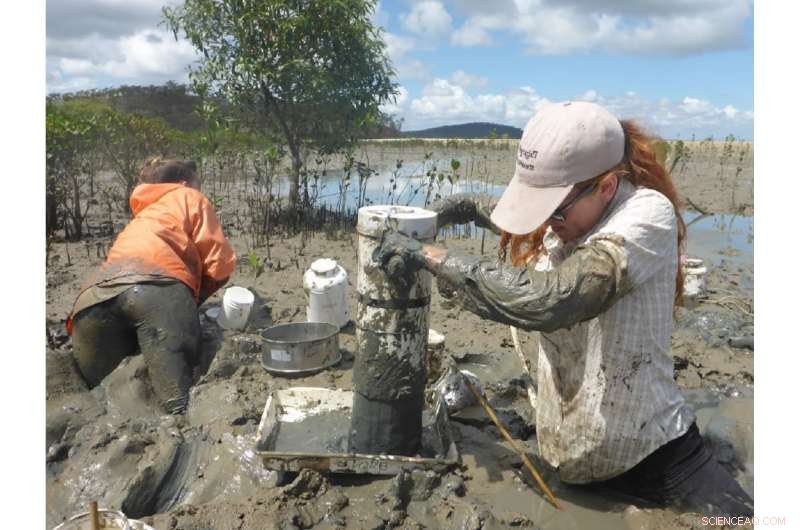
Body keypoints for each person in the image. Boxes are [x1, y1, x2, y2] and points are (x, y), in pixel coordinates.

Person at [375, 101, 753, 516]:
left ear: (607, 186)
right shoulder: (569, 213)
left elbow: (551, 299)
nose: (545, 222)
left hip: (657, 461)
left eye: (554, 209)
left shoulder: (644, 215)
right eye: (537, 206)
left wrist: (428, 255)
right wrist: (447, 212)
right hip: (570, 462)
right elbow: (495, 212)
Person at [67, 158, 237, 415]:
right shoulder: (188, 196)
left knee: (103, 400)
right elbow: (221, 265)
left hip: (90, 301)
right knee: (177, 405)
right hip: (155, 288)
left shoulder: (144, 214)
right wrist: (193, 301)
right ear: (183, 184)